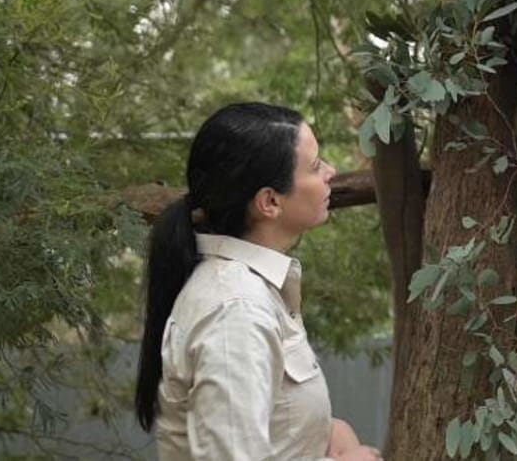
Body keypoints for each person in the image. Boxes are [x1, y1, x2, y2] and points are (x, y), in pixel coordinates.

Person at [134, 102, 382, 461]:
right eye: (315, 166)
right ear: (269, 202)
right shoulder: (235, 312)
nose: (331, 171)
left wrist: (322, 432)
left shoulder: (253, 290)